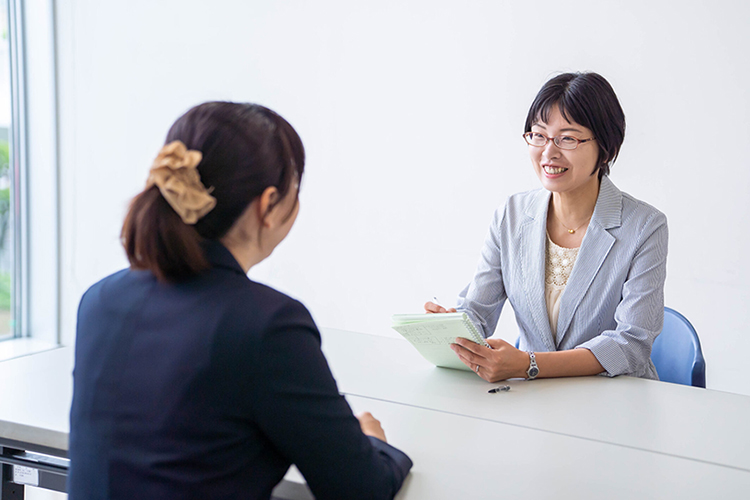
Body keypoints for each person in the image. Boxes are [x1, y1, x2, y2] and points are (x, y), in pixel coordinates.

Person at [68, 102, 412, 499]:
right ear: (268, 205)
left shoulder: (99, 300)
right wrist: (373, 442)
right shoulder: (268, 325)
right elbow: (361, 489)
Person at [425, 72, 668, 383]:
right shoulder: (510, 215)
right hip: (534, 400)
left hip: (614, 400)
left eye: (568, 138)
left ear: (605, 148)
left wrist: (529, 365)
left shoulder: (645, 227)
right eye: (538, 135)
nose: (549, 152)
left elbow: (630, 345)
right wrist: (452, 328)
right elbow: (477, 311)